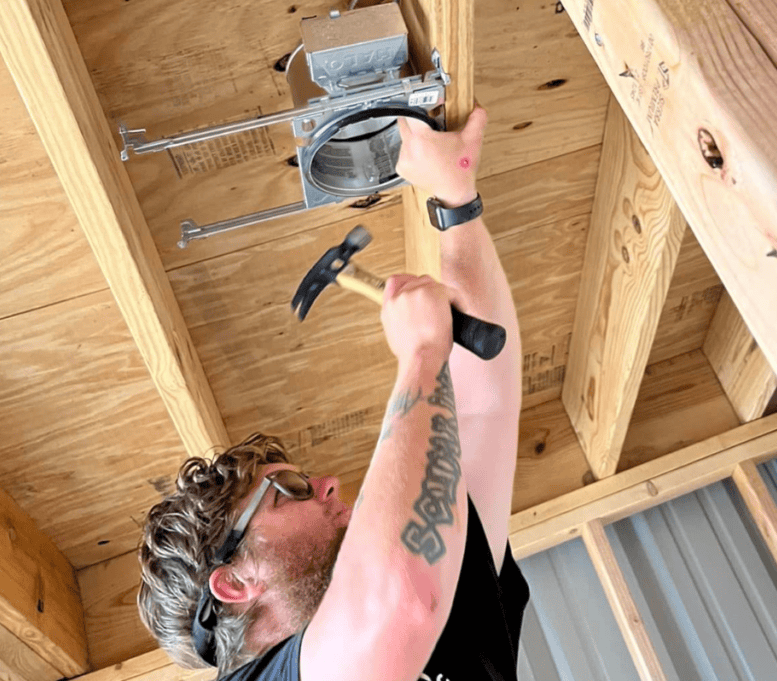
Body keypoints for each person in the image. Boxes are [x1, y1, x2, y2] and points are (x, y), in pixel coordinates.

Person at [136, 105, 530, 681]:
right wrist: (421, 355)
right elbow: (400, 600)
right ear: (234, 580)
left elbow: (484, 410)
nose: (327, 483)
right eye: (288, 491)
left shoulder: (432, 588)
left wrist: (457, 203)